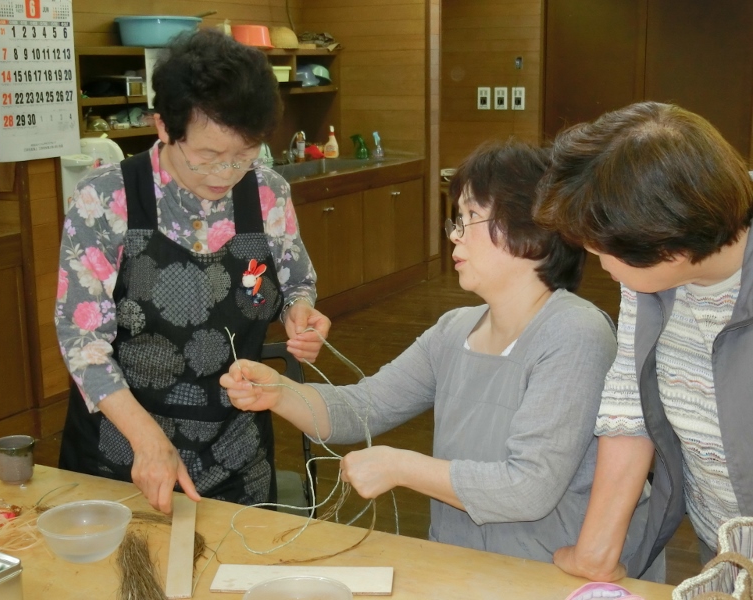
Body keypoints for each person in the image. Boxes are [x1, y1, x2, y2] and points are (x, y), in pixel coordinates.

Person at [221, 140, 648, 565]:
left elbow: (528, 488)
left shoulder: (575, 332)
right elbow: (361, 408)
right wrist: (278, 392)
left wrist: (401, 467)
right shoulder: (455, 330)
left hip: (546, 575)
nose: (455, 236)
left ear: (532, 228)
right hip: (462, 566)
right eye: (455, 220)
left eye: (471, 218)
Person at [54, 29, 331, 514]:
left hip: (235, 454)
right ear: (164, 127)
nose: (225, 174)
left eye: (243, 156)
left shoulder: (267, 193)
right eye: (207, 157)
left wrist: (301, 312)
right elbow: (82, 342)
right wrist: (147, 439)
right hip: (123, 455)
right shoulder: (105, 199)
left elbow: (295, 281)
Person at [534, 101, 753, 581]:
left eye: (602, 248)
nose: (595, 258)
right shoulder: (648, 277)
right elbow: (630, 396)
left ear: (670, 247)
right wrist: (595, 551)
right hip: (724, 545)